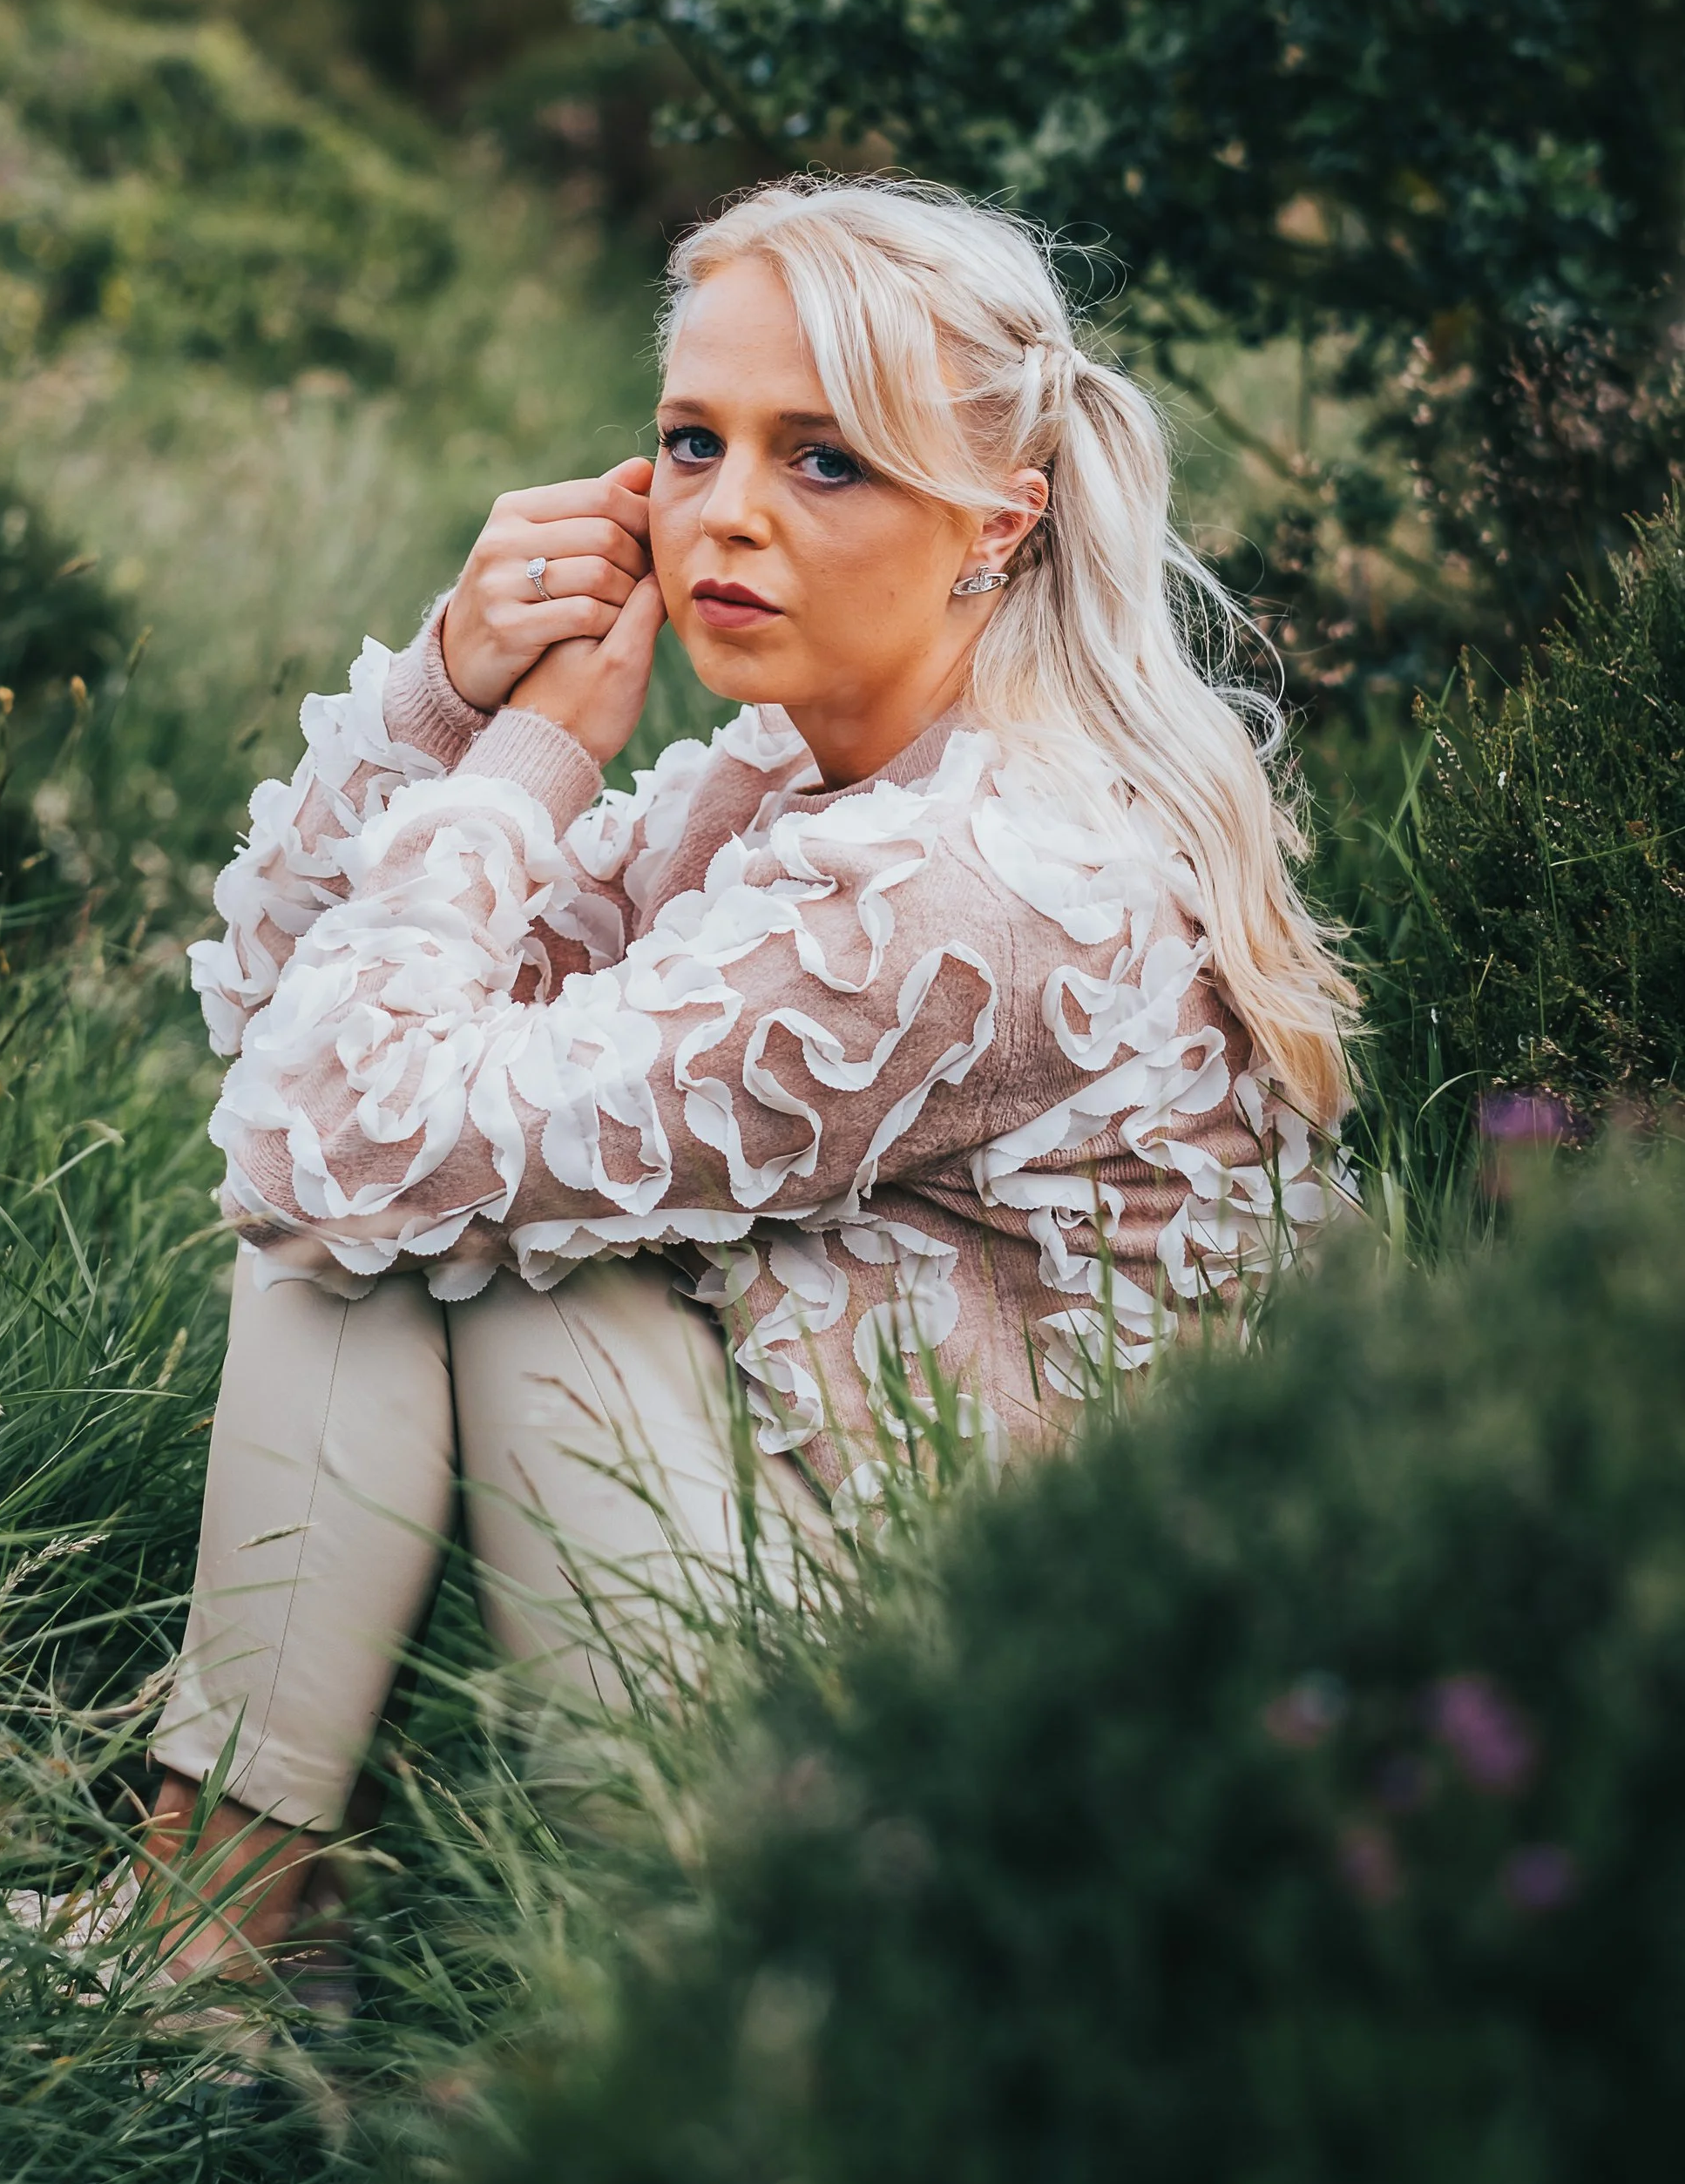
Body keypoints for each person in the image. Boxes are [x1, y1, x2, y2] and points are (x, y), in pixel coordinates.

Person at [139, 175, 1354, 1984]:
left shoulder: (966, 882)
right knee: (427, 1189)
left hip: (926, 1803)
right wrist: (454, 691)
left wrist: (528, 769)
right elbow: (293, 1028)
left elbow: (330, 1135)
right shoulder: (781, 781)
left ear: (996, 521)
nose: (726, 512)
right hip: (827, 1621)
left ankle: (210, 1932)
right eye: (693, 441)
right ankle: (217, 1916)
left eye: (825, 459)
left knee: (448, 1232)